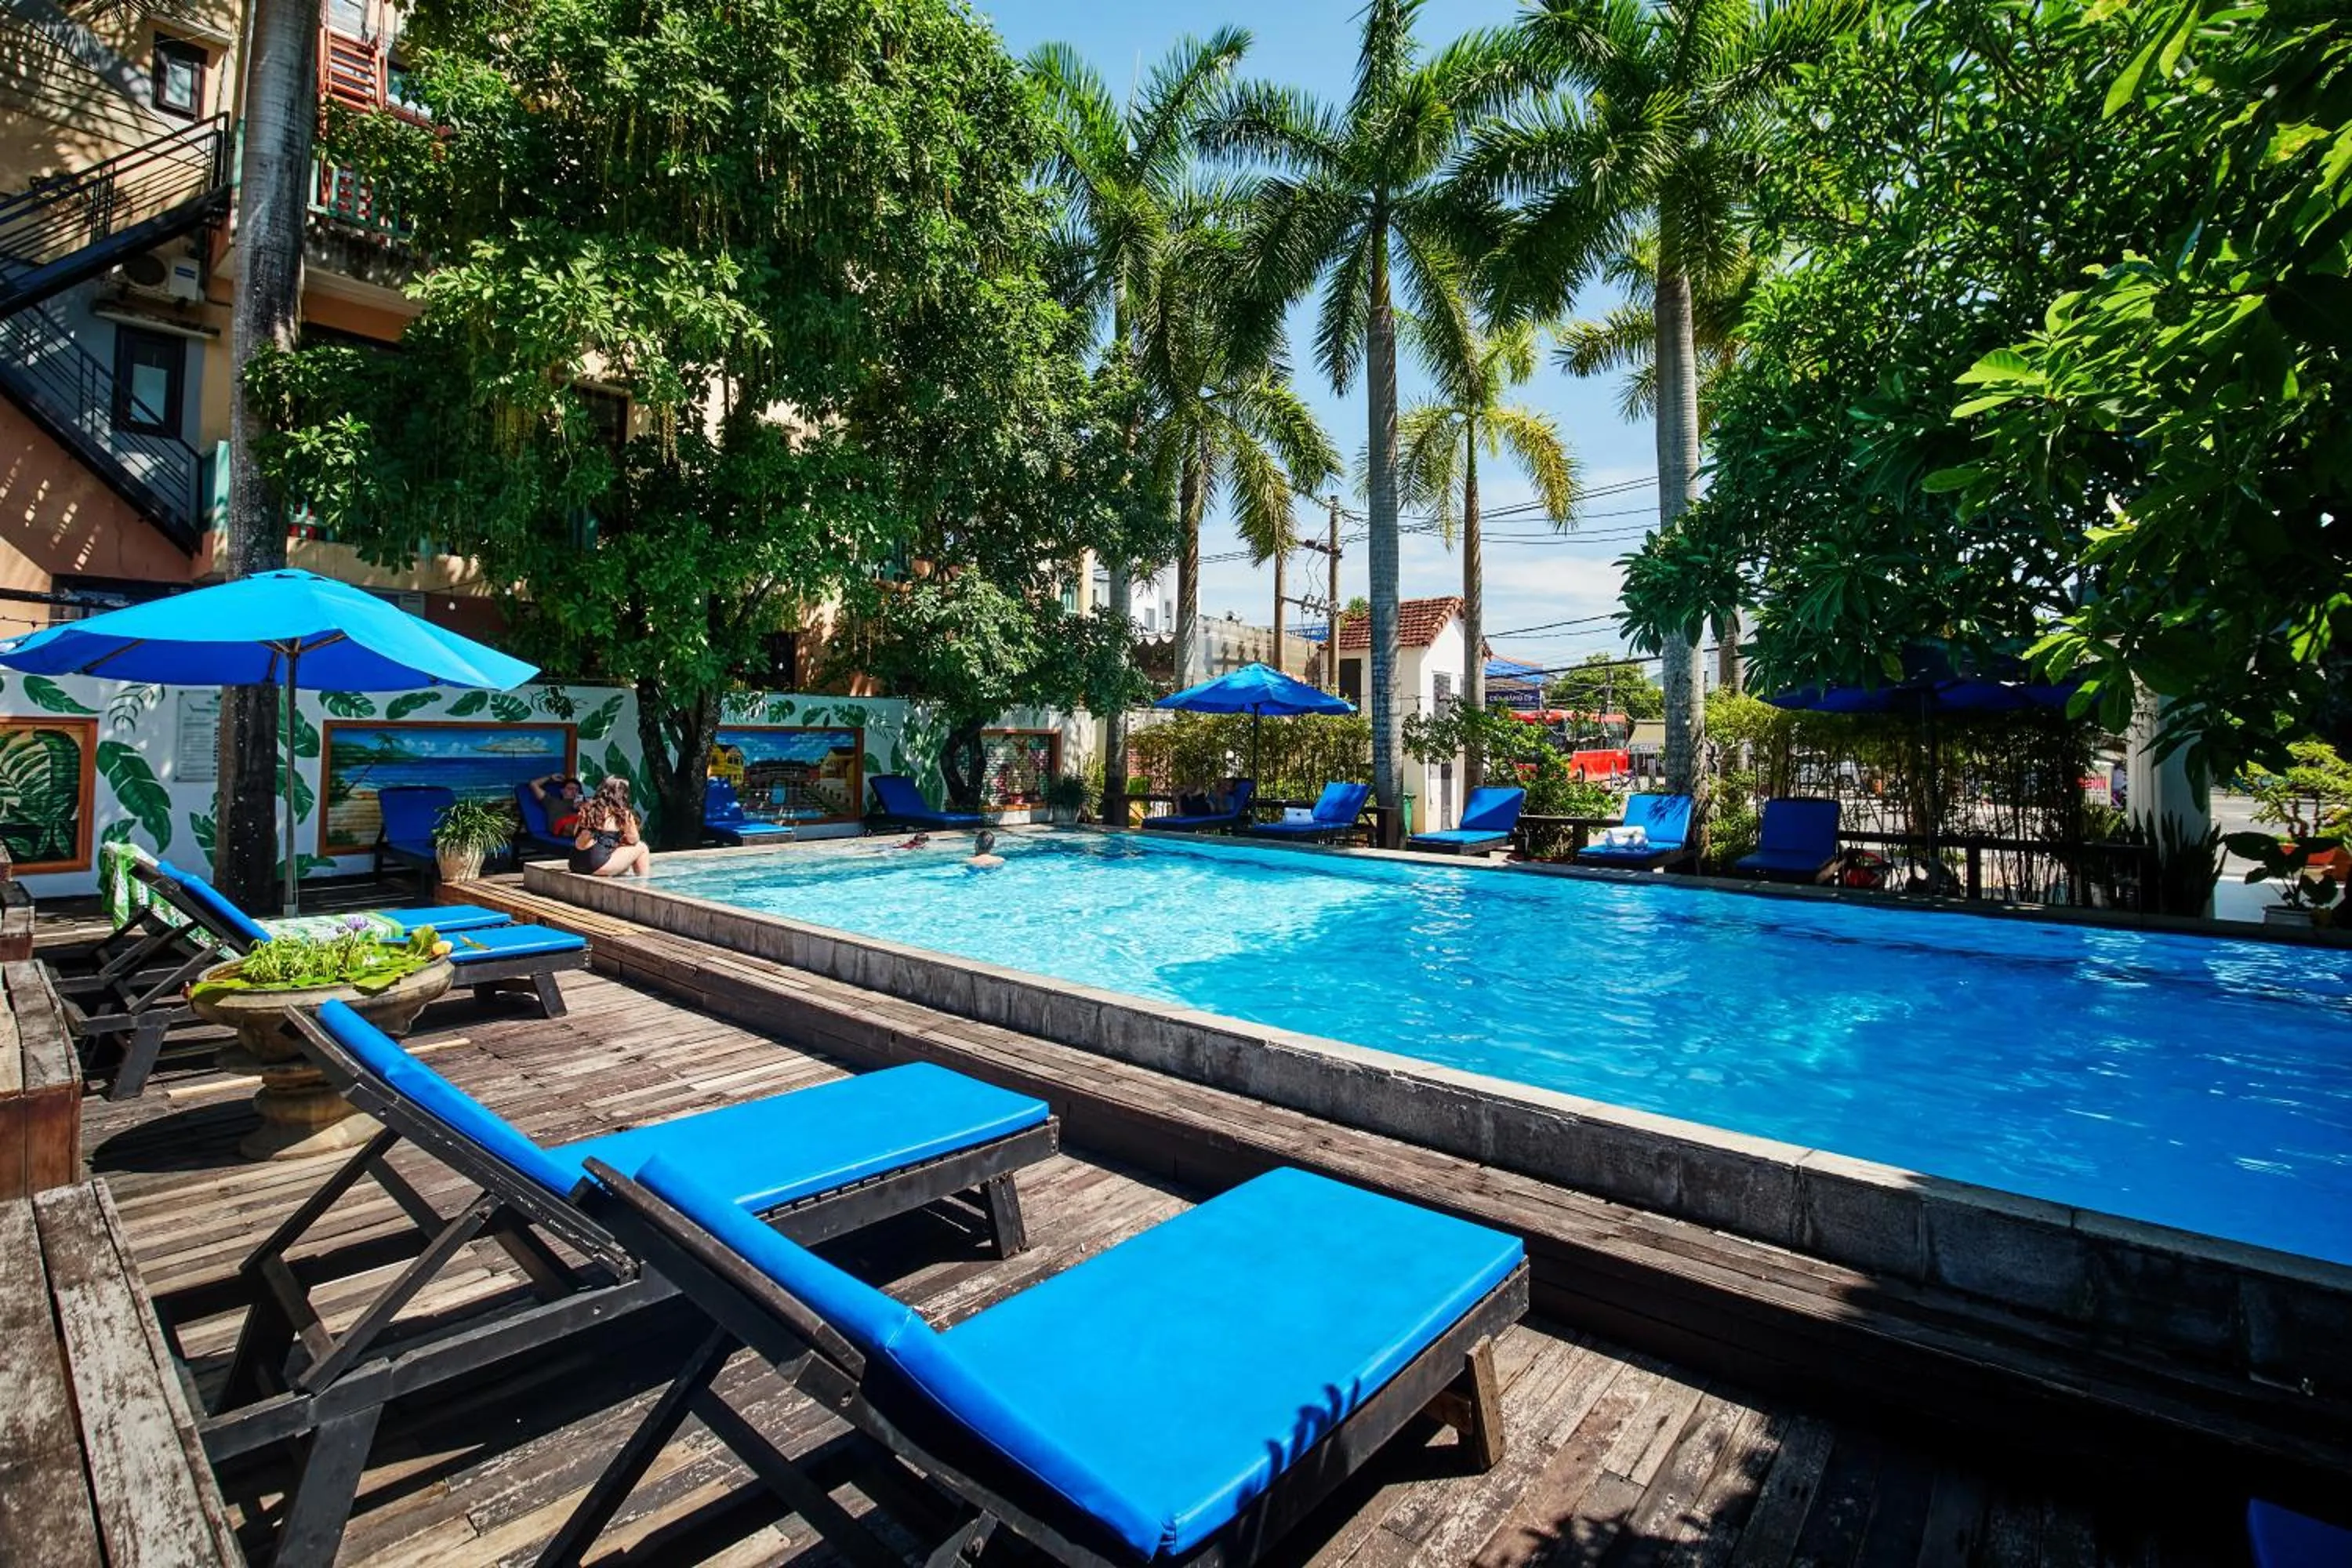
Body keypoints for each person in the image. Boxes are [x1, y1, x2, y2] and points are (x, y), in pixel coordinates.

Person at [571, 776, 651, 877]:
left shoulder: (587, 809)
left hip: (575, 862)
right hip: (596, 866)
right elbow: (634, 840)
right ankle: (643, 883)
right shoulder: (623, 814)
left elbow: (575, 833)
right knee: (642, 847)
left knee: (615, 847)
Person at [529, 772, 585, 838]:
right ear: (562, 791)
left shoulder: (581, 804)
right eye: (570, 789)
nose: (574, 792)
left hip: (578, 826)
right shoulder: (552, 801)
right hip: (561, 828)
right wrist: (550, 777)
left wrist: (582, 807)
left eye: (577, 790)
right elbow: (533, 784)